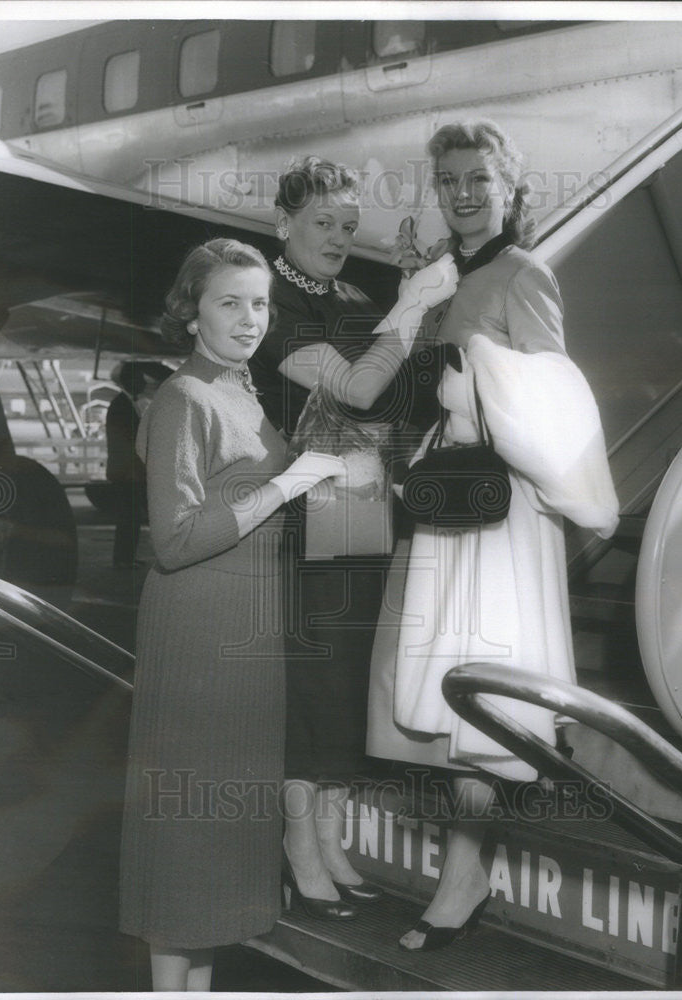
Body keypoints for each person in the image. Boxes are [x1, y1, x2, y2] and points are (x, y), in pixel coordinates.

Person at [366, 120, 620, 950]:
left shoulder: (522, 272)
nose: (464, 193)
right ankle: (463, 867)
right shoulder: (442, 275)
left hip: (501, 513)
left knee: (481, 697)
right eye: (449, 181)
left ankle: (462, 877)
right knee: (446, 694)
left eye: (479, 178)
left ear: (509, 186)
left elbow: (555, 400)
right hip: (447, 506)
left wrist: (473, 373)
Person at [118, 238, 348, 990]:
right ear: (191, 313)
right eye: (230, 302)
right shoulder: (185, 398)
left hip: (246, 631)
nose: (250, 318)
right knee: (186, 832)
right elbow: (177, 539)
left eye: (260, 303)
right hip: (199, 630)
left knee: (221, 840)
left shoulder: (241, 392)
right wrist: (287, 486)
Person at [249, 156, 458, 918]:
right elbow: (359, 387)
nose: (338, 236)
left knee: (342, 685)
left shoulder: (352, 295)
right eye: (321, 224)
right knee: (313, 686)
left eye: (346, 224)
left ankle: (330, 844)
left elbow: (396, 399)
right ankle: (298, 849)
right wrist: (411, 306)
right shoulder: (263, 300)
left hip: (362, 506)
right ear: (283, 225)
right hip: (302, 509)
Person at [103, 361, 171, 567]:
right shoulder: (123, 405)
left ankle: (124, 559)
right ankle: (124, 561)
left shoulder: (123, 403)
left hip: (127, 471)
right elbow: (129, 442)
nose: (144, 383)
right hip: (129, 472)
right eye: (140, 379)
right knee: (131, 519)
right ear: (130, 380)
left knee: (130, 519)